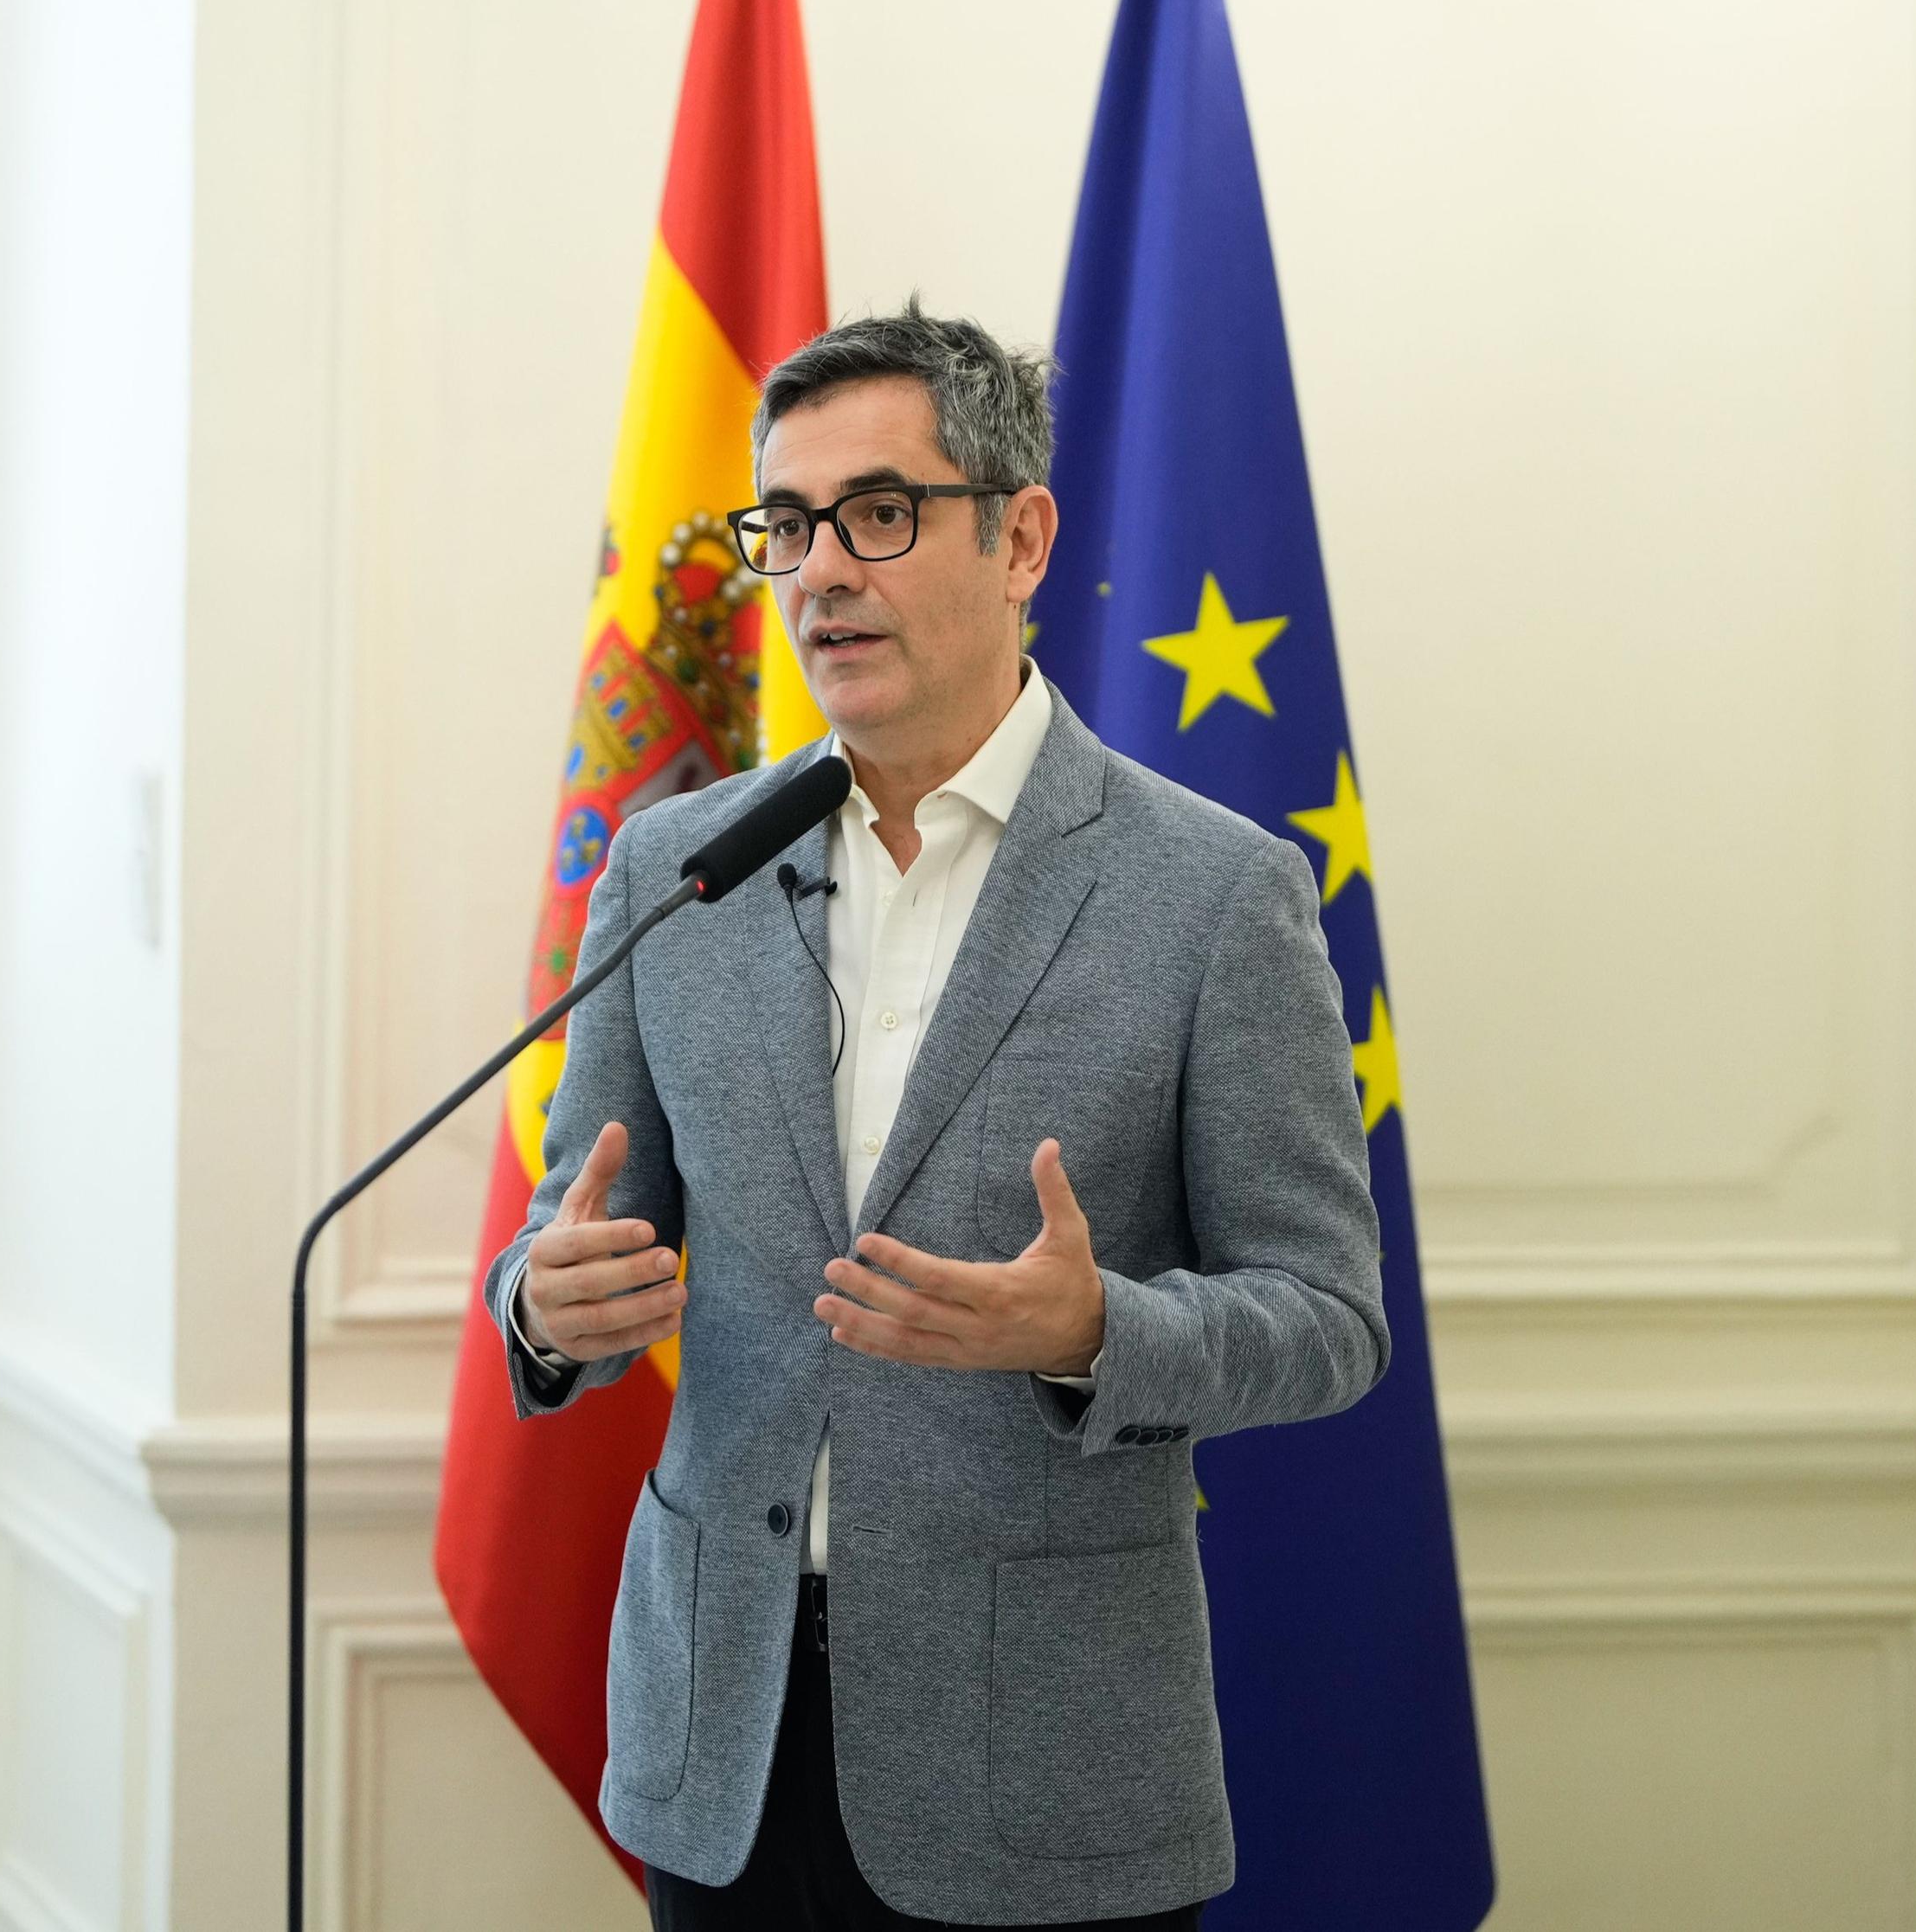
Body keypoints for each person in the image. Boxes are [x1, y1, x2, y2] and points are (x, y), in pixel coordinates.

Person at [486, 303, 1387, 1931]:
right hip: (725, 1738)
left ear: (1021, 538)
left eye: (881, 513)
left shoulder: (1215, 894)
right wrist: (548, 1309)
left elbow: (1329, 1317)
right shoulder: (674, 869)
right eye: (788, 524)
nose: (822, 570)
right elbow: (580, 1232)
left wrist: (1094, 1329)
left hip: (1043, 1764)